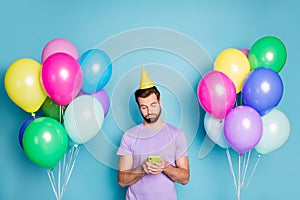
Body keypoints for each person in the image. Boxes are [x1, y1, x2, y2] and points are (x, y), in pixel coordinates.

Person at [117, 67, 190, 200]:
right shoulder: (129, 136)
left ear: (160, 102)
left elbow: (185, 178)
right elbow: (122, 180)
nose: (149, 111)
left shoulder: (177, 135)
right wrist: (142, 169)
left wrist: (165, 167)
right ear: (139, 107)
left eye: (153, 104)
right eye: (144, 107)